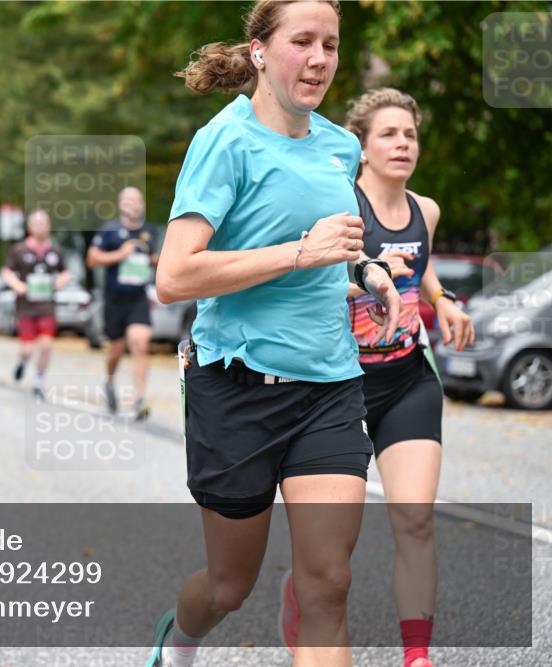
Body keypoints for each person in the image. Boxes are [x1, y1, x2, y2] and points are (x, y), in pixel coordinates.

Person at [144, 2, 401, 667]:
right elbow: (174, 275)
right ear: (260, 50)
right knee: (229, 585)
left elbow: (336, 248)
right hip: (237, 386)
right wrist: (300, 252)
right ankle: (180, 637)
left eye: (332, 45)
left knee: (329, 583)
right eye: (303, 42)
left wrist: (370, 274)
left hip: (329, 384)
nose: (319, 58)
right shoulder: (223, 142)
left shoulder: (341, 147)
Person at [279, 88, 475, 667]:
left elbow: (425, 269)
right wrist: (368, 278)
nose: (402, 144)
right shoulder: (341, 208)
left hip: (408, 379)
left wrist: (448, 303)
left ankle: (417, 655)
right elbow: (308, 287)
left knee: (415, 518)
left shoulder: (426, 210)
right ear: (361, 147)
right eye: (388, 134)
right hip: (340, 387)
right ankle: (303, 590)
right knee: (335, 550)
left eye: (410, 134)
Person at [86, 187, 158, 420]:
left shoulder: (150, 231)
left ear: (142, 204)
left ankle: (139, 399)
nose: (133, 203)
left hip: (138, 297)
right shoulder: (110, 231)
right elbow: (92, 259)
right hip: (114, 298)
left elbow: (157, 259)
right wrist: (120, 255)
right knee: (116, 349)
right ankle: (108, 381)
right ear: (120, 204)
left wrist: (153, 260)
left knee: (140, 342)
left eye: (137, 199)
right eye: (127, 199)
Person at [1, 209, 70, 400]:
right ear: (29, 227)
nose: (41, 227)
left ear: (49, 226)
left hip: (46, 305)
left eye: (44, 223)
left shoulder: (55, 250)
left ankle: (39, 380)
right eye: (37, 223)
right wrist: (18, 286)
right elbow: (6, 272)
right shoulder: (20, 249)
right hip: (25, 307)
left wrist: (60, 282)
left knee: (47, 345)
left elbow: (66, 272)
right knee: (27, 349)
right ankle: (23, 361)